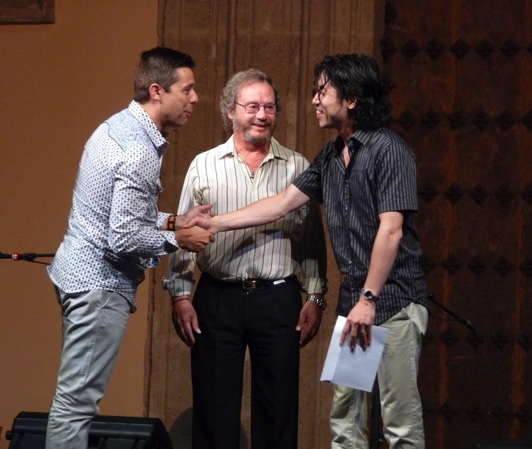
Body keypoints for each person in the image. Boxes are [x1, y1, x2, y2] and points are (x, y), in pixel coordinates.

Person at [189, 54, 430, 449]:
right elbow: (281, 203)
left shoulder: (390, 150)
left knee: (399, 425)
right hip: (355, 306)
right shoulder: (331, 155)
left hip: (393, 303)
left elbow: (391, 230)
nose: (315, 100)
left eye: (322, 91)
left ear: (350, 98)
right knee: (347, 424)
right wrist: (215, 223)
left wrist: (369, 299)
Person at [45, 47, 215, 449]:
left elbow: (123, 215)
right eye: (187, 90)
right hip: (98, 286)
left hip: (78, 276)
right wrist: (179, 239)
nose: (194, 99)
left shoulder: (115, 127)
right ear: (157, 91)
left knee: (73, 402)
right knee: (75, 406)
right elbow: (123, 237)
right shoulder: (138, 147)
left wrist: (175, 220)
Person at [163, 68, 328, 449]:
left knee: (278, 414)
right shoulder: (204, 165)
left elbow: (311, 240)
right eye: (252, 106)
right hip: (218, 298)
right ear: (231, 111)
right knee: (214, 414)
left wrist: (316, 296)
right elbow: (183, 235)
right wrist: (180, 295)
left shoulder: (297, 167)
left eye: (269, 107)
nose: (261, 115)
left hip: (278, 299)